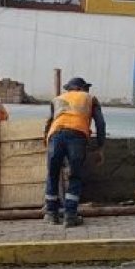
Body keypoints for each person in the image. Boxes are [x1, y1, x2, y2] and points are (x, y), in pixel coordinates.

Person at [43, 77, 106, 227]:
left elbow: (49, 122)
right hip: (77, 136)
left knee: (52, 174)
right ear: (81, 88)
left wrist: (47, 143)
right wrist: (100, 147)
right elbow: (100, 123)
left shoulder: (57, 99)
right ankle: (70, 216)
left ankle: (51, 214)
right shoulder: (90, 98)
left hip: (55, 136)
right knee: (75, 176)